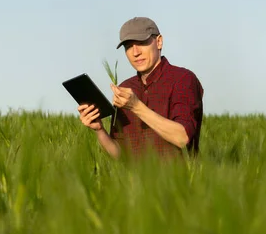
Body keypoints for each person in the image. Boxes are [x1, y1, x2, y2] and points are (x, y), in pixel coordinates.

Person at [78, 17, 204, 160]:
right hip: (136, 182)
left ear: (159, 42)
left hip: (177, 181)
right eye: (129, 46)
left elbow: (182, 137)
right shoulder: (125, 88)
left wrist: (136, 106)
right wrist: (99, 130)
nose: (135, 52)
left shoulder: (183, 79)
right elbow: (121, 155)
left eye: (141, 43)